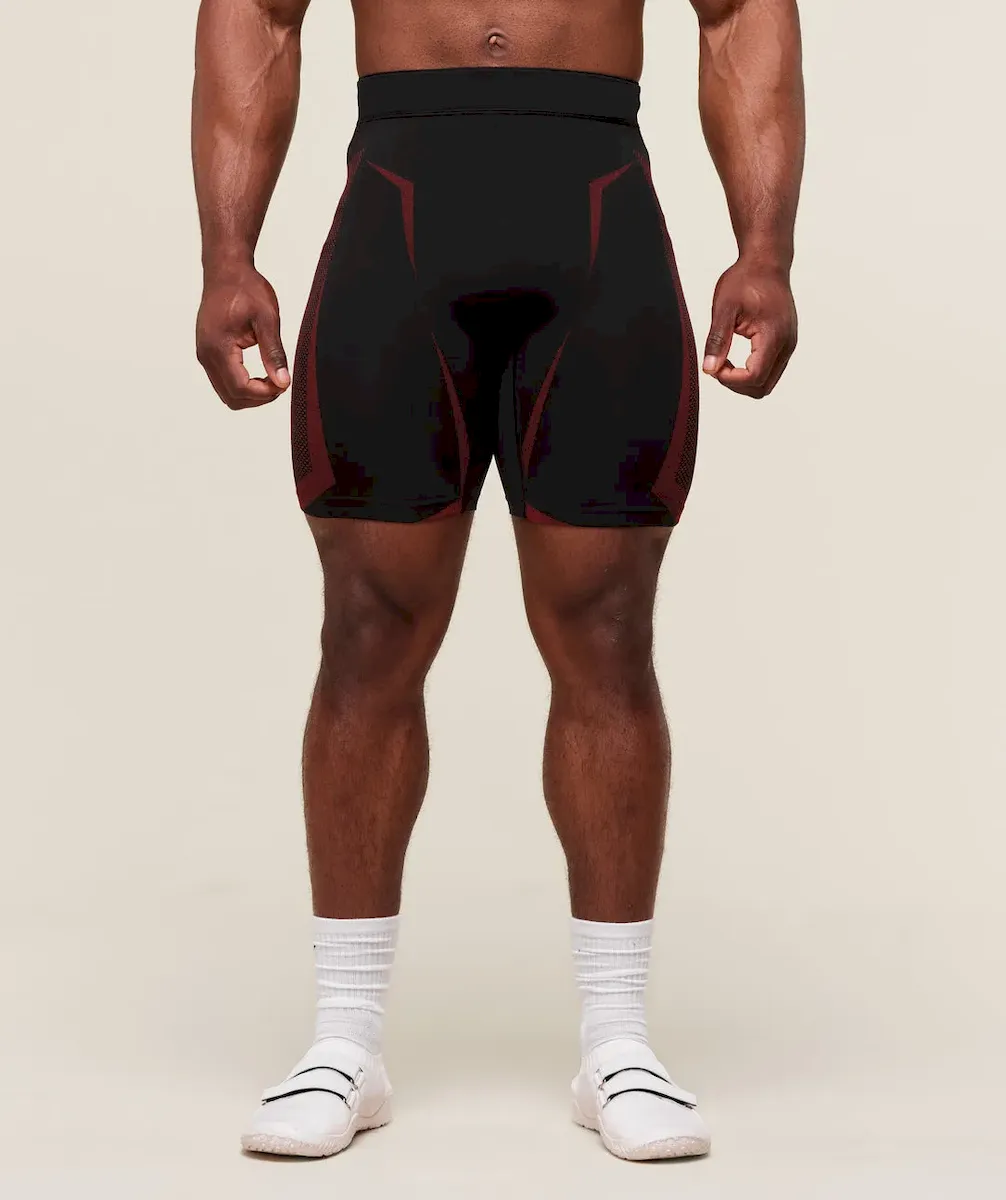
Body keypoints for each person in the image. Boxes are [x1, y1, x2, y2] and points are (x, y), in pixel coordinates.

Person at [192, 0, 803, 1163]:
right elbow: (258, 15)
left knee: (607, 629)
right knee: (367, 627)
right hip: (399, 209)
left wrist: (763, 248)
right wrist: (228, 256)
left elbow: (738, 17)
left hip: (595, 212)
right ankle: (344, 1041)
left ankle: (618, 1044)